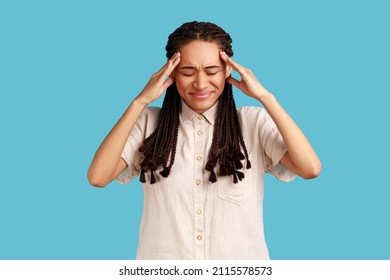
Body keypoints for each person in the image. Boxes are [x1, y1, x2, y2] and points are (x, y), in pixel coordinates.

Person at [87, 21, 321, 260]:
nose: (200, 83)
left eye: (211, 72)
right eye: (188, 72)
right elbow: (98, 177)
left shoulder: (253, 123)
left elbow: (310, 168)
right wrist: (139, 102)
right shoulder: (148, 123)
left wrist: (266, 97)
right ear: (172, 72)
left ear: (228, 70)